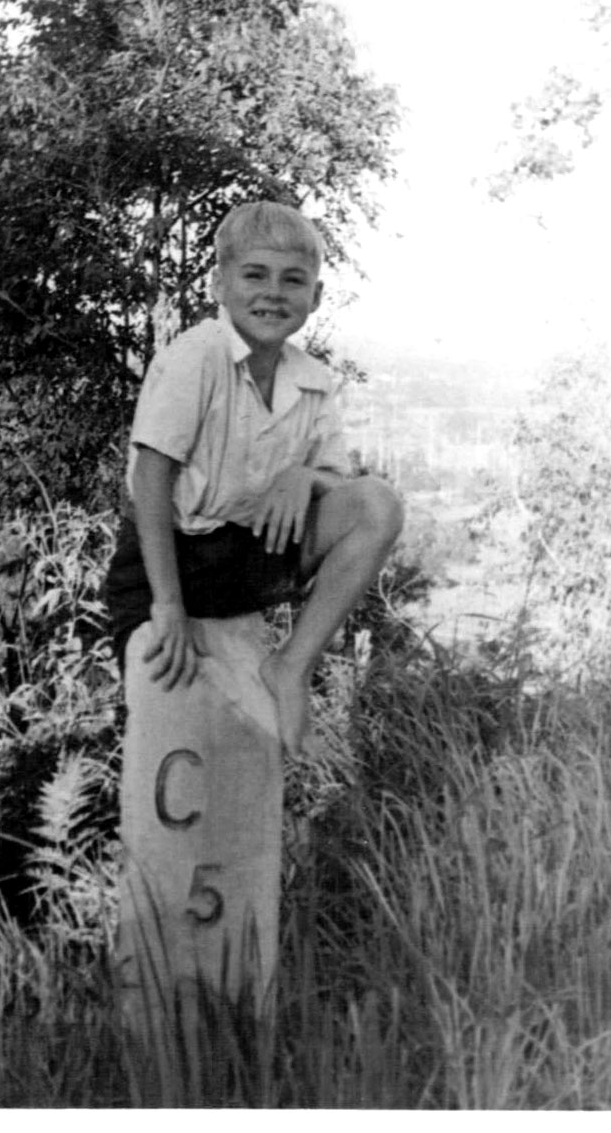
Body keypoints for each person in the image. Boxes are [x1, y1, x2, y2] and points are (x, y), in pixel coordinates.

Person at [104, 201, 403, 754]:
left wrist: (303, 475)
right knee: (175, 729)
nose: (273, 293)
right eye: (255, 275)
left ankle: (290, 666)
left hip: (247, 558)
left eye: (293, 280)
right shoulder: (198, 357)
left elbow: (344, 489)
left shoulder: (312, 382)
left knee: (379, 504)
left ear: (314, 297)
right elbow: (150, 478)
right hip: (167, 564)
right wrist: (166, 606)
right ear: (220, 284)